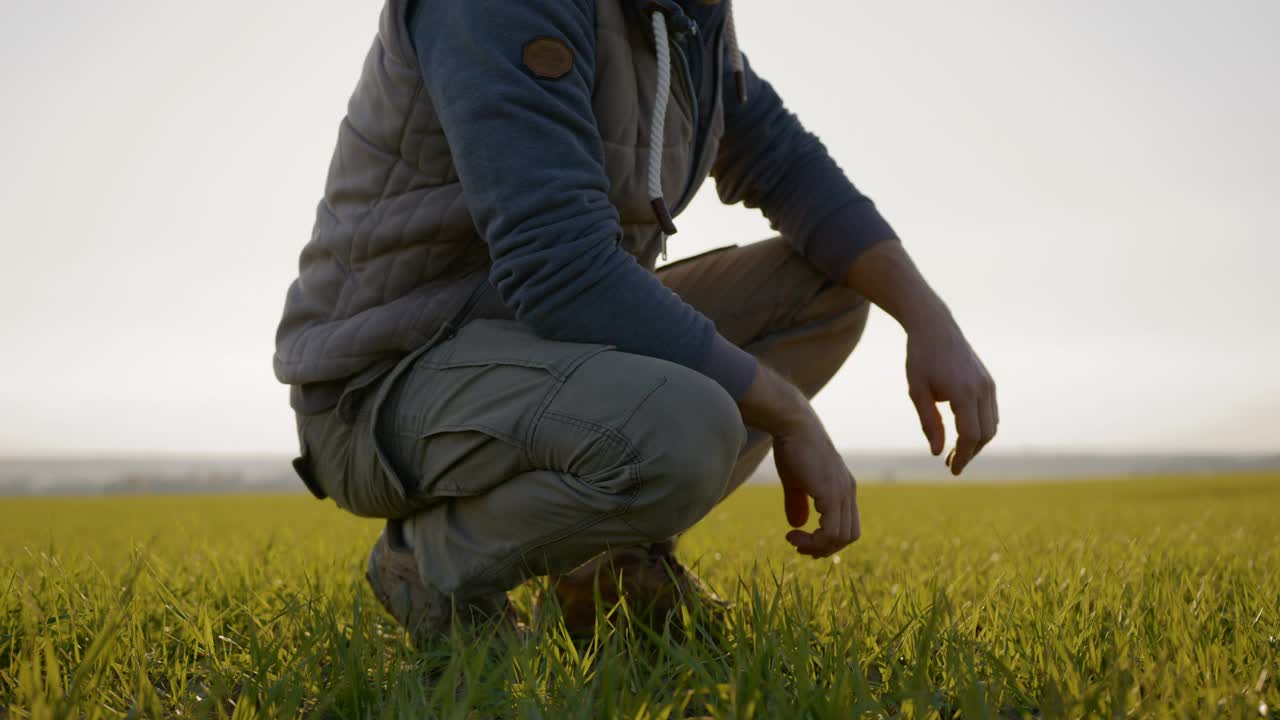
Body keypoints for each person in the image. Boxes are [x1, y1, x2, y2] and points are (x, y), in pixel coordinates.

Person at [275, 0, 998, 644]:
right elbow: (557, 268)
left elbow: (787, 165)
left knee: (824, 288)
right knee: (689, 426)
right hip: (382, 383)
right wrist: (789, 413)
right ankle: (431, 565)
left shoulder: (687, 19)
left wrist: (929, 318)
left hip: (534, 349)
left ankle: (612, 571)